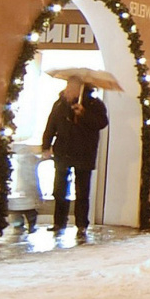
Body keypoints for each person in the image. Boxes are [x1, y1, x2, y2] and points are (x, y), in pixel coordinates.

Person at [41, 77, 108, 232]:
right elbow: (51, 125)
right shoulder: (59, 104)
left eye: (72, 88)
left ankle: (82, 224)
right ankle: (59, 222)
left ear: (81, 89)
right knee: (59, 189)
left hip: (84, 152)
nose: (68, 90)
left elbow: (101, 123)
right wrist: (46, 145)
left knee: (82, 191)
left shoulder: (94, 104)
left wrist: (83, 114)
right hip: (63, 151)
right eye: (68, 87)